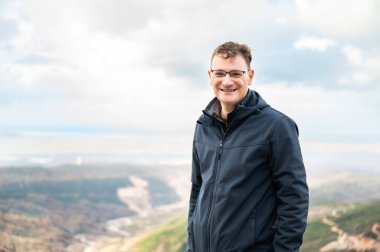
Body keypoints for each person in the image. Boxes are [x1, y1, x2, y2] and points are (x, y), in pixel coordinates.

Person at [187, 41, 309, 252]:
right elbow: (198, 190)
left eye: (235, 73)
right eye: (220, 73)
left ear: (249, 76)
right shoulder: (203, 125)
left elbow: (293, 199)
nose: (227, 81)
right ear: (210, 76)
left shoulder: (277, 126)